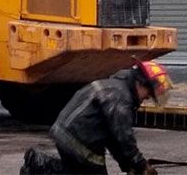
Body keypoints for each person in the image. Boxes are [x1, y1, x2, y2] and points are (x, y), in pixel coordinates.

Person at [20, 60, 172, 175]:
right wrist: (141, 166)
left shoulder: (116, 87)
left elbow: (114, 140)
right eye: (149, 94)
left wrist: (130, 167)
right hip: (78, 142)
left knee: (76, 172)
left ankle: (37, 164)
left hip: (65, 133)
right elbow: (124, 140)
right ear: (140, 84)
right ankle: (39, 165)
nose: (147, 98)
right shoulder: (121, 99)